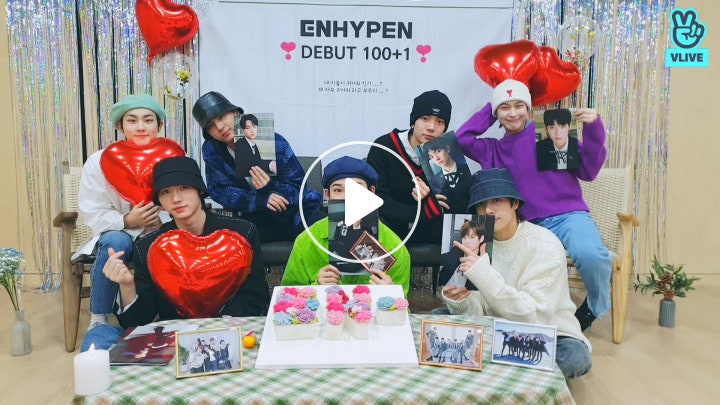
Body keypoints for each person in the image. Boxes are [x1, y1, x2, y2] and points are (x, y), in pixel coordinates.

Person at [456, 79, 610, 331]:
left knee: (591, 255)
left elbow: (588, 172)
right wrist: (492, 108)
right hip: (526, 224)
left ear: (528, 109)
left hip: (568, 215)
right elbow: (462, 139)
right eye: (505, 108)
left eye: (519, 105)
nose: (513, 113)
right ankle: (531, 316)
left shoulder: (548, 132)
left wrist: (594, 129)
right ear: (496, 114)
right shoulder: (493, 150)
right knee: (514, 270)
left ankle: (596, 305)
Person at [438, 168, 592, 379]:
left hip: (544, 332)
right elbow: (477, 314)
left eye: (497, 200)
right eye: (481, 204)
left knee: (575, 356)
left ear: (515, 203)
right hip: (491, 329)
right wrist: (460, 301)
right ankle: (509, 371)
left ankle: (491, 370)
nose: (488, 210)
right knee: (437, 317)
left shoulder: (545, 245)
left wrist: (482, 273)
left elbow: (532, 317)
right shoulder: (473, 242)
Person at [97, 157, 270, 336]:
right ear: (159, 201)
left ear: (199, 190)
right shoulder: (149, 248)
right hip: (177, 339)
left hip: (233, 332)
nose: (176, 199)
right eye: (166, 192)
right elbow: (138, 322)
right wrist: (127, 287)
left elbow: (255, 298)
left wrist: (214, 330)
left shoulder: (241, 234)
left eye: (184, 188)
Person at [77, 94, 170, 348]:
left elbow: (184, 198)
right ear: (120, 126)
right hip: (117, 230)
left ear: (159, 125)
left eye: (148, 120)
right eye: (132, 120)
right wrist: (127, 219)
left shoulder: (170, 156)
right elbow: (91, 209)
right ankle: (99, 318)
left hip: (157, 229)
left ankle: (167, 315)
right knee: (116, 243)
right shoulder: (99, 161)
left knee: (171, 241)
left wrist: (161, 220)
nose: (141, 127)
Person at [192, 91, 322, 242]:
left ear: (236, 113)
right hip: (255, 219)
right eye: (210, 126)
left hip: (295, 213)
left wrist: (269, 187)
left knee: (327, 229)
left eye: (221, 117)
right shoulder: (212, 149)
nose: (219, 127)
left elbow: (299, 188)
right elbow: (219, 191)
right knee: (223, 239)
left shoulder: (272, 141)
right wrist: (260, 199)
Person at [281, 156, 411, 296]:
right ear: (328, 195)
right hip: (323, 310)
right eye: (338, 190)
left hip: (373, 310)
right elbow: (287, 297)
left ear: (371, 192)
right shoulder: (306, 241)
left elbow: (403, 306)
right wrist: (317, 287)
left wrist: (391, 293)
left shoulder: (394, 247)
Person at [367, 90, 453, 244]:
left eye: (440, 122)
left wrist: (428, 199)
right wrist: (422, 212)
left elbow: (454, 203)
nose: (431, 127)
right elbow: (376, 198)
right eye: (425, 118)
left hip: (429, 232)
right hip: (391, 228)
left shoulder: (446, 153)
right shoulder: (384, 147)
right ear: (413, 122)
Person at [422, 136, 472, 213]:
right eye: (431, 157)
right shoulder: (433, 182)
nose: (436, 158)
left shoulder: (468, 169)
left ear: (447, 149)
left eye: (438, 151)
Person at [437, 220, 485, 291]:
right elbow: (440, 259)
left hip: (464, 295)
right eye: (464, 237)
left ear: (481, 239)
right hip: (444, 291)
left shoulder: (483, 261)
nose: (466, 242)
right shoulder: (457, 250)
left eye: (471, 237)